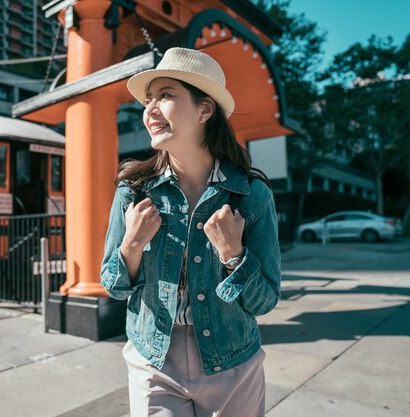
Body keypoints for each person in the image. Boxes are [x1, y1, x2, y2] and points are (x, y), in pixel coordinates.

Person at [100, 48, 281, 417]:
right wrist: (132, 246)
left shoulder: (252, 196)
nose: (149, 109)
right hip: (154, 361)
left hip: (233, 363)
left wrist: (234, 255)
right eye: (148, 100)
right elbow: (112, 284)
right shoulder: (133, 190)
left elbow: (264, 301)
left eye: (165, 95)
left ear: (204, 109)